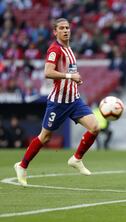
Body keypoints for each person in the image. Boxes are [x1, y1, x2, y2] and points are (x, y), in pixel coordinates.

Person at [14, 18, 100, 186]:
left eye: (67, 27)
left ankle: (76, 159)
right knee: (45, 137)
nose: (66, 30)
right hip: (58, 103)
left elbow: (70, 72)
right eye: (62, 28)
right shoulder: (55, 49)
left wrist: (75, 79)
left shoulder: (69, 49)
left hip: (74, 100)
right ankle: (22, 165)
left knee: (95, 127)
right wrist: (69, 76)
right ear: (55, 32)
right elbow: (48, 72)